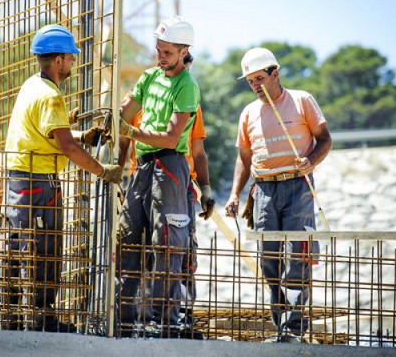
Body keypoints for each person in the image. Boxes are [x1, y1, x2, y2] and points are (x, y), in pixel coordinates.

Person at [0, 24, 122, 332]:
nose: (73, 63)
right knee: (45, 250)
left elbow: (47, 134)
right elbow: (65, 146)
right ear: (59, 60)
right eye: (70, 57)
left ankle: (7, 318)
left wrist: (83, 135)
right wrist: (103, 171)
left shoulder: (31, 86)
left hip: (19, 179)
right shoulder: (51, 96)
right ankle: (43, 320)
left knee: (16, 246)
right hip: (39, 181)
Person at [224, 47, 332, 343]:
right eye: (250, 81)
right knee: (269, 259)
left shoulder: (301, 101)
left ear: (276, 74)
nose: (256, 85)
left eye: (260, 78)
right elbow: (244, 160)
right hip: (264, 191)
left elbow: (325, 139)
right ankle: (281, 326)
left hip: (298, 186)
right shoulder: (248, 113)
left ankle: (294, 328)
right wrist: (235, 195)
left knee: (299, 256)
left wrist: (311, 160)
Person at [118, 53, 214, 337]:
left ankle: (177, 319)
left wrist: (205, 188)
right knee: (136, 248)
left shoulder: (187, 103)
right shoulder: (145, 98)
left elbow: (197, 151)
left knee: (176, 251)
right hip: (143, 176)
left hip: (178, 183)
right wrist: (116, 174)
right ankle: (138, 318)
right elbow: (123, 137)